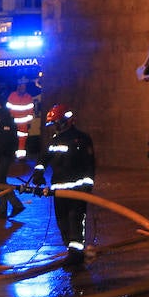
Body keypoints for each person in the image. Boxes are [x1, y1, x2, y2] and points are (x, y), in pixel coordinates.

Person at [28, 103, 96, 266]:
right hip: (59, 190)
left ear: (66, 121)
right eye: (53, 124)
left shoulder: (82, 139)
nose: (54, 127)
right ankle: (70, 249)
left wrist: (87, 185)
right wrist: (38, 174)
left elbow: (89, 164)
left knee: (75, 220)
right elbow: (43, 159)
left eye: (56, 123)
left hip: (77, 190)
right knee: (62, 221)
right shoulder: (54, 141)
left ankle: (76, 253)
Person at [0, 94, 26, 220]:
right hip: (3, 156)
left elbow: (3, 141)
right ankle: (6, 208)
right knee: (0, 181)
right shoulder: (4, 119)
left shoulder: (5, 121)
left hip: (3, 156)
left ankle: (13, 206)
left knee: (0, 182)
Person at [6, 80, 36, 159]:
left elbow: (30, 111)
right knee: (12, 138)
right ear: (17, 88)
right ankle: (11, 154)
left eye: (23, 88)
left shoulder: (28, 97)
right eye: (20, 87)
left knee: (22, 139)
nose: (22, 89)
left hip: (23, 123)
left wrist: (29, 123)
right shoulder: (12, 96)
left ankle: (21, 156)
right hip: (13, 122)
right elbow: (8, 109)